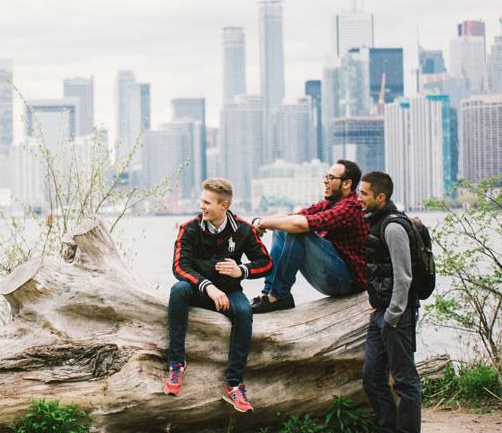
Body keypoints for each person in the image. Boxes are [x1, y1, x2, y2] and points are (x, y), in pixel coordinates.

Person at [165, 178, 272, 413]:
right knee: (178, 290)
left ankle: (234, 384)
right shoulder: (189, 228)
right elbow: (179, 267)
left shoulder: (243, 230)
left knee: (244, 312)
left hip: (230, 292)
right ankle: (176, 364)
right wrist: (207, 286)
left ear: (224, 205)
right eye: (201, 200)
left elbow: (266, 263)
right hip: (199, 292)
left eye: (206, 202)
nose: (201, 206)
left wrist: (242, 270)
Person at [251, 159, 368, 314]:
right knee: (282, 229)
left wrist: (264, 223)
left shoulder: (352, 206)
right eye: (325, 176)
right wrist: (258, 223)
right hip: (332, 275)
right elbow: (290, 217)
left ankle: (278, 296)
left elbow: (301, 224)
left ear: (347, 184)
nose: (325, 181)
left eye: (331, 178)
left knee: (298, 232)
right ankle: (268, 293)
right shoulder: (329, 203)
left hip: (348, 282)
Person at [359, 171, 421, 433]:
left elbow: (403, 276)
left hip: (398, 315)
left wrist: (393, 315)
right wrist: (380, 306)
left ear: (380, 197)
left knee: (405, 381)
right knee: (372, 377)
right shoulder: (378, 222)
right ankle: (389, 427)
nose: (358, 199)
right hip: (382, 313)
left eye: (364, 194)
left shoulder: (393, 226)